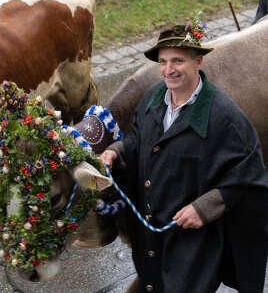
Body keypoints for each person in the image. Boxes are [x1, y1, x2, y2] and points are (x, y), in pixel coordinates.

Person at [100, 19, 268, 293]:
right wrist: (115, 152)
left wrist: (204, 208)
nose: (168, 70)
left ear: (198, 62)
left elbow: (250, 175)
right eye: (163, 61)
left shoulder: (224, 115)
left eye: (178, 61)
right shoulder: (155, 97)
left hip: (196, 244)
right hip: (157, 234)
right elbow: (138, 141)